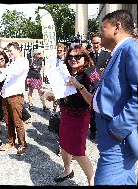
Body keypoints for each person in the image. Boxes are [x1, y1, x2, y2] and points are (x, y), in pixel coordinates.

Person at [93, 10, 138, 185]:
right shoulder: (120, 51)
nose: (99, 34)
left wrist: (118, 128)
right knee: (125, 178)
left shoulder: (131, 49)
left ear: (116, 27)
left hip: (117, 135)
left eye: (103, 28)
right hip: (112, 132)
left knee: (106, 181)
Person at [47, 45, 101, 185]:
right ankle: (67, 170)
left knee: (77, 152)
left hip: (79, 117)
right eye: (70, 57)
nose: (73, 59)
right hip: (65, 114)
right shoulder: (65, 72)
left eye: (78, 57)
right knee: (64, 145)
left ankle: (91, 180)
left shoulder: (90, 73)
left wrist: (79, 86)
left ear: (85, 57)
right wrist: (54, 96)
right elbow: (63, 93)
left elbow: (92, 101)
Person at [0, 42, 29, 156]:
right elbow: (1, 78)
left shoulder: (23, 61)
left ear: (18, 50)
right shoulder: (11, 63)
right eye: (8, 51)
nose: (9, 53)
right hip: (5, 96)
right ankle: (10, 142)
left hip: (15, 96)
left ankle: (22, 144)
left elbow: (13, 73)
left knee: (17, 121)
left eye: (11, 51)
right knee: (8, 121)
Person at [88, 34, 111, 140]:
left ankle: (103, 130)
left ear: (101, 43)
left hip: (103, 86)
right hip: (91, 86)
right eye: (94, 43)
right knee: (92, 110)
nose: (96, 45)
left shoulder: (107, 55)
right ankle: (93, 130)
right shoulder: (88, 55)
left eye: (98, 43)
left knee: (103, 109)